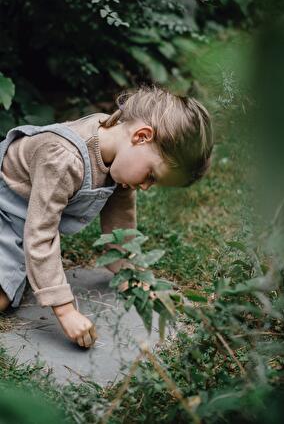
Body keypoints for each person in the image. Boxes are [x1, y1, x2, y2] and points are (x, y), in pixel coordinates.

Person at [0, 84, 213, 348]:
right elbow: (41, 233)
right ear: (142, 136)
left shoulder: (118, 155)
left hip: (25, 221)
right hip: (6, 211)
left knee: (17, 280)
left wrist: (130, 275)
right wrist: (65, 310)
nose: (146, 187)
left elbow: (120, 223)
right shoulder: (64, 159)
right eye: (151, 176)